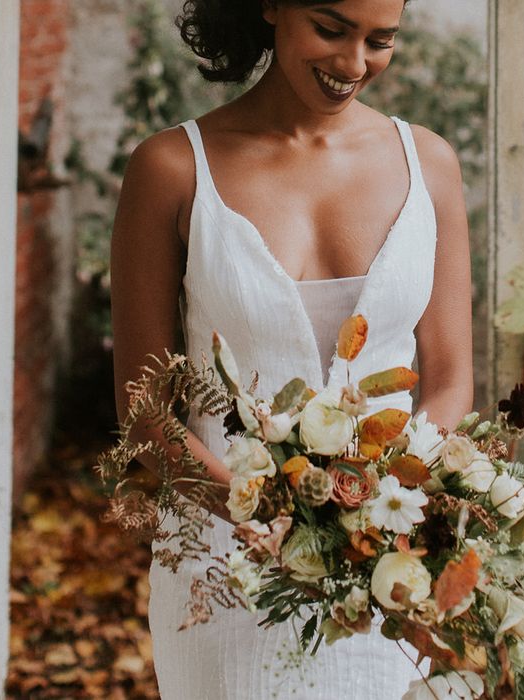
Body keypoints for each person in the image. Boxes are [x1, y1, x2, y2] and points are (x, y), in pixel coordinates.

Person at [110, 0, 473, 697]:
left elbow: (451, 377)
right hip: (226, 573)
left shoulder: (429, 163)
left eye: (381, 41)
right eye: (332, 31)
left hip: (389, 566)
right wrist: (274, 516)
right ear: (271, 5)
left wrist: (379, 509)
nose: (355, 64)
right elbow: (146, 416)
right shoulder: (171, 169)